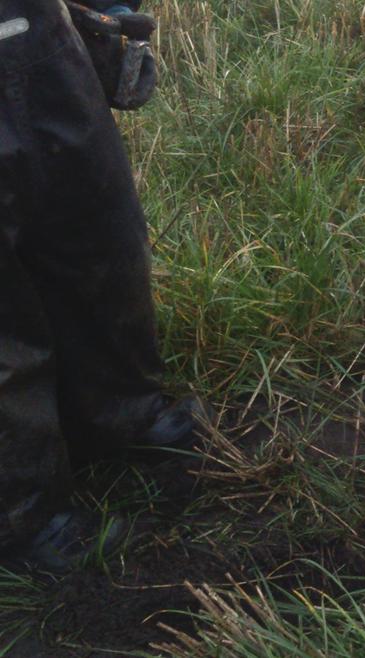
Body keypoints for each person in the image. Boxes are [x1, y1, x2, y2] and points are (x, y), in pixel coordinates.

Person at [1, 0, 200, 571]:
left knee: (102, 240)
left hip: (37, 38)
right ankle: (21, 514)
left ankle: (117, 417)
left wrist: (110, 13)